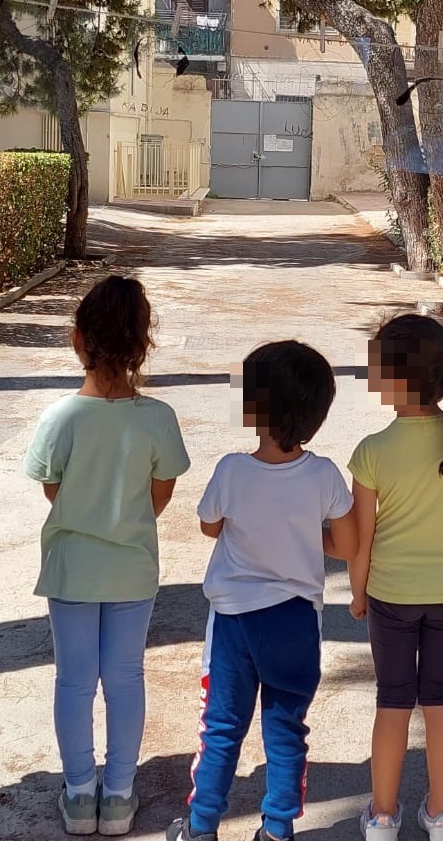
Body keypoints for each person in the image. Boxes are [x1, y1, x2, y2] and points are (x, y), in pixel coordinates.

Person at [168, 340, 357, 841]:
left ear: (256, 408)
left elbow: (209, 526)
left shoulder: (231, 470)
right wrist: (303, 536)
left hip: (234, 620)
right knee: (286, 727)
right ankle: (276, 828)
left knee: (222, 726)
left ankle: (200, 825)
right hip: (296, 620)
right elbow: (347, 544)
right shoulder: (324, 474)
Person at [24, 275, 192, 836]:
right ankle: (118, 794)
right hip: (132, 568)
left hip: (72, 567)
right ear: (143, 344)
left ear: (78, 339)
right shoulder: (157, 417)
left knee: (74, 680)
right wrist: (127, 517)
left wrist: (88, 513)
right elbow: (162, 489)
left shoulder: (59, 417)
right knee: (125, 677)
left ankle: (78, 793)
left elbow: (52, 486)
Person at [348, 316, 443, 841]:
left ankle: (383, 817)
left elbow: (361, 541)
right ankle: (442, 814)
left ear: (395, 378)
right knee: (441, 698)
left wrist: (357, 595)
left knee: (392, 700)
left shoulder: (372, 451)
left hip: (391, 592)